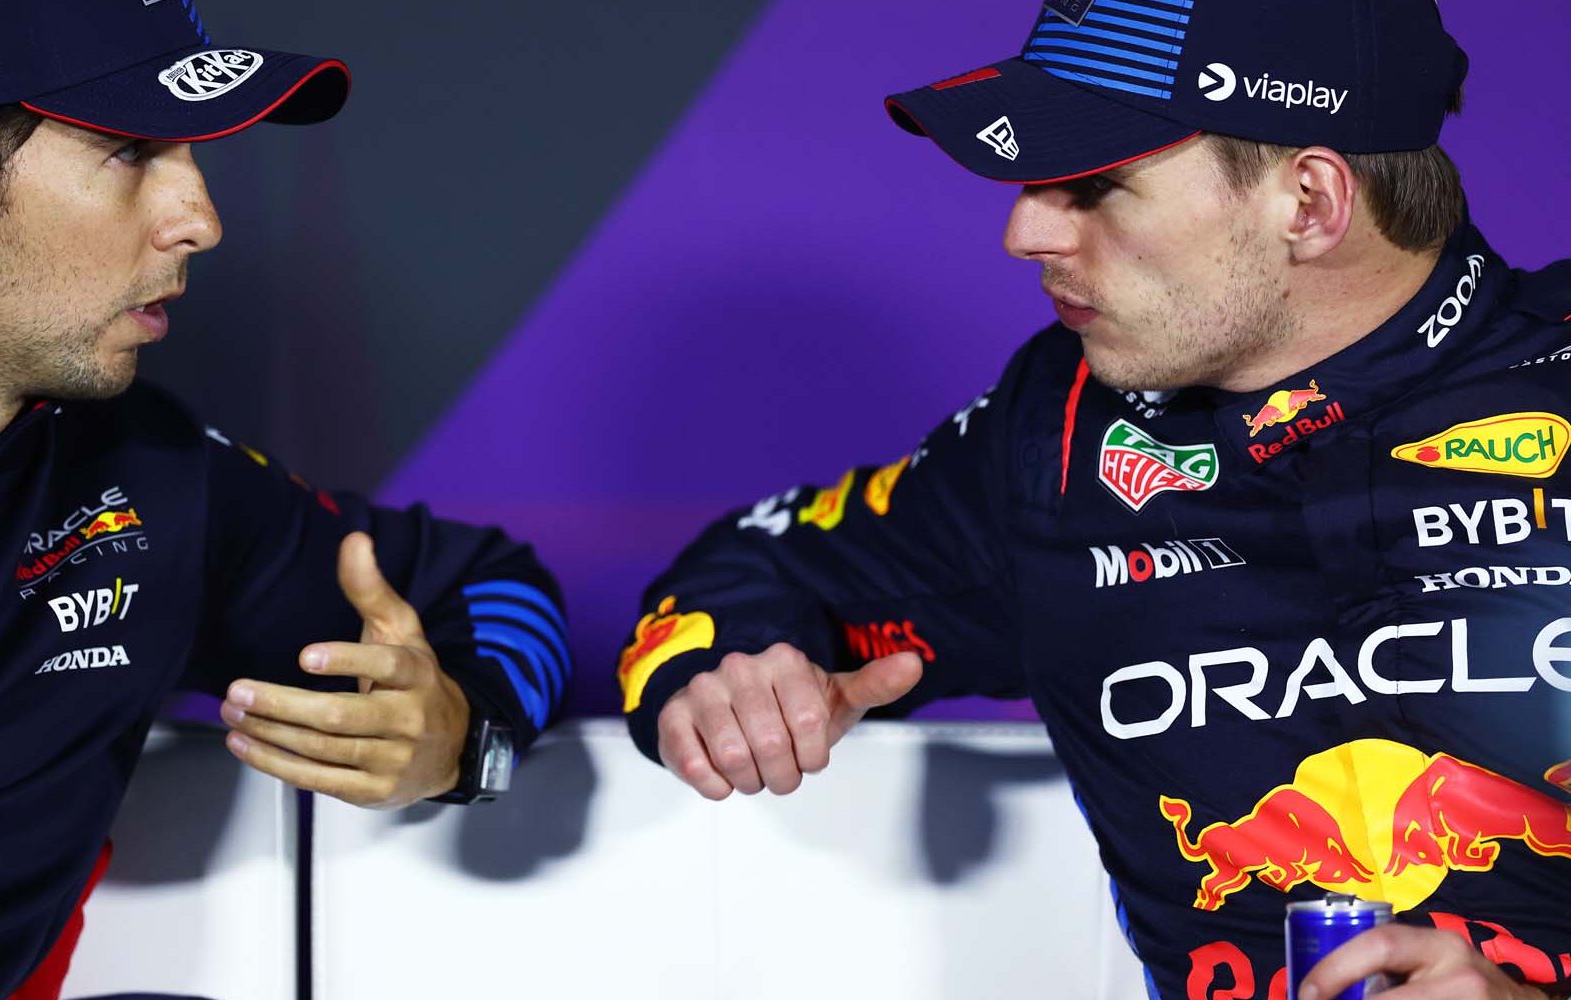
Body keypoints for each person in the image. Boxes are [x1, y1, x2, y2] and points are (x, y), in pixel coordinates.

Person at [615, 1, 1571, 997]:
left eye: (1096, 184)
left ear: (1310, 203)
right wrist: (734, 676)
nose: (1023, 229)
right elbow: (751, 570)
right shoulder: (1059, 428)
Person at [0, 0, 571, 996]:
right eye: (134, 150)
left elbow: (492, 589)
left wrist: (461, 737)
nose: (203, 221)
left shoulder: (152, 477)